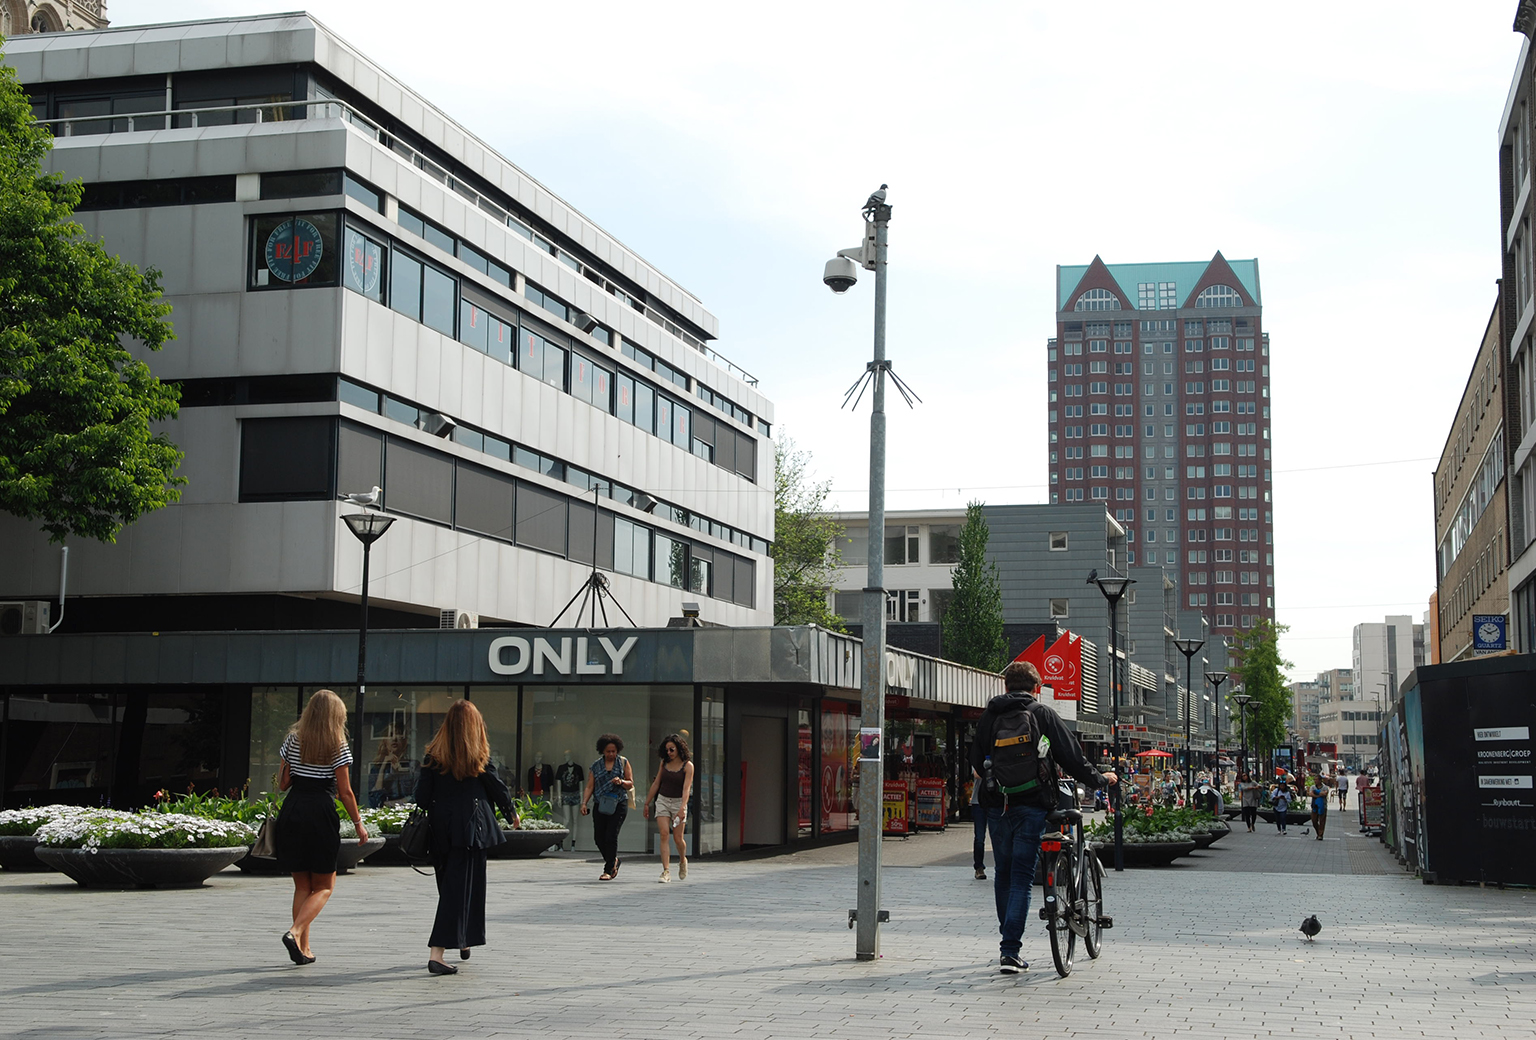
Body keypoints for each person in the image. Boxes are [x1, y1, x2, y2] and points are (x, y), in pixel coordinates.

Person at [970, 661, 1115, 974]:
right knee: (1022, 877)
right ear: (1036, 688)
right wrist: (1100, 780)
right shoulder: (1042, 713)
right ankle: (1009, 951)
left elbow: (977, 763)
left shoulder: (990, 715)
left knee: (1003, 874)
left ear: (1005, 686)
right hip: (1033, 805)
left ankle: (1008, 943)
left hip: (997, 805)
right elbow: (1071, 756)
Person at [415, 700, 519, 976]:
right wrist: (511, 813)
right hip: (471, 829)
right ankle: (437, 952)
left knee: (449, 886)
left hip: (439, 831)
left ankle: (461, 938)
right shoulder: (479, 757)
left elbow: (421, 797)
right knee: (458, 890)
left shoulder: (432, 756)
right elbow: (497, 788)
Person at [273, 689, 367, 966]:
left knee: (302, 885)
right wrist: (359, 824)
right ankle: (295, 932)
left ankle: (304, 949)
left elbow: (282, 784)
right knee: (325, 885)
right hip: (321, 812)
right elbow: (345, 791)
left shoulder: (292, 740)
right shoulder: (337, 745)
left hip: (293, 810)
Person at [642, 733, 694, 883]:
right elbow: (657, 783)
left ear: (679, 748)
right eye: (667, 750)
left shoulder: (688, 766)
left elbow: (686, 789)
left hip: (679, 802)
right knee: (664, 834)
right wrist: (647, 802)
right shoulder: (663, 763)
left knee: (678, 839)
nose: (669, 753)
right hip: (663, 800)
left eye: (672, 749)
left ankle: (682, 860)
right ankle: (666, 871)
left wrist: (683, 808)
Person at [581, 734, 634, 880]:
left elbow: (630, 783)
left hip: (618, 803)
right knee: (599, 838)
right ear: (602, 751)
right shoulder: (596, 765)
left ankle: (609, 869)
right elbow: (590, 786)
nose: (611, 754)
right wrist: (584, 803)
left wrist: (621, 782)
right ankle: (614, 860)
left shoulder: (623, 762)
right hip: (600, 804)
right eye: (608, 751)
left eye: (614, 751)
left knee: (611, 835)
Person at [969, 769, 988, 880]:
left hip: (995, 802)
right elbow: (977, 774)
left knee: (1001, 837)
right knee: (979, 837)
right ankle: (979, 867)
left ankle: (1003, 867)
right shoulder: (978, 756)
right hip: (978, 801)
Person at [1309, 775, 1330, 841]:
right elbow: (1311, 794)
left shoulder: (1325, 787)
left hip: (1323, 806)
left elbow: (1324, 793)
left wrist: (1316, 794)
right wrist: (1318, 795)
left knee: (1322, 821)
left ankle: (1320, 834)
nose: (1315, 781)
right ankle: (1318, 832)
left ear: (1320, 780)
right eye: (1314, 779)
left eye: (1316, 779)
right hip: (1315, 806)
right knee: (1314, 820)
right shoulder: (1313, 787)